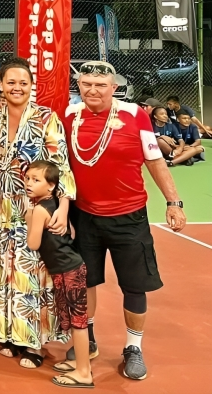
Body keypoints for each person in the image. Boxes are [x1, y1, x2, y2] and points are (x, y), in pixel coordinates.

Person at [64, 60, 187, 381]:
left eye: (100, 85)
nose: (92, 90)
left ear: (114, 87)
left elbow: (155, 160)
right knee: (84, 281)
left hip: (129, 216)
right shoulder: (69, 117)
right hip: (84, 217)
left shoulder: (136, 115)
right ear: (79, 86)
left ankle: (133, 347)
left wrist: (173, 202)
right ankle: (86, 339)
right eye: (86, 84)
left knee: (134, 286)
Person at [0, 58, 76, 369]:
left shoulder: (45, 118)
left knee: (33, 275)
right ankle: (10, 335)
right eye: (11, 82)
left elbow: (60, 165)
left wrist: (63, 208)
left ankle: (35, 344)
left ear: (31, 85)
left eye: (23, 82)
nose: (17, 87)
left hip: (34, 210)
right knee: (3, 273)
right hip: (0, 211)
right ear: (2, 85)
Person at [24, 161, 93, 389]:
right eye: (27, 178)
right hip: (65, 269)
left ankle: (84, 372)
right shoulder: (49, 204)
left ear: (51, 186)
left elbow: (33, 244)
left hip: (70, 270)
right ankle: (79, 365)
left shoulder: (41, 210)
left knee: (78, 322)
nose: (29, 184)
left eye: (36, 180)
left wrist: (28, 216)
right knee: (75, 321)